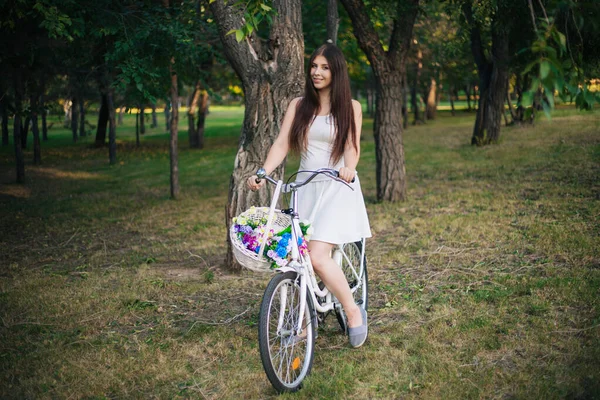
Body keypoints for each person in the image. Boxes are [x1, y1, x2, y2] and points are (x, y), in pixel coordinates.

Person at [247, 43, 372, 348]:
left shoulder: (351, 107)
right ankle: (303, 323)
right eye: (314, 66)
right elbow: (281, 144)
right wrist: (263, 172)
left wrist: (348, 168)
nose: (317, 72)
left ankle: (353, 311)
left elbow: (351, 147)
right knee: (296, 257)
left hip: (336, 184)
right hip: (305, 186)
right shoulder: (298, 105)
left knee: (316, 255)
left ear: (336, 72)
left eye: (324, 67)